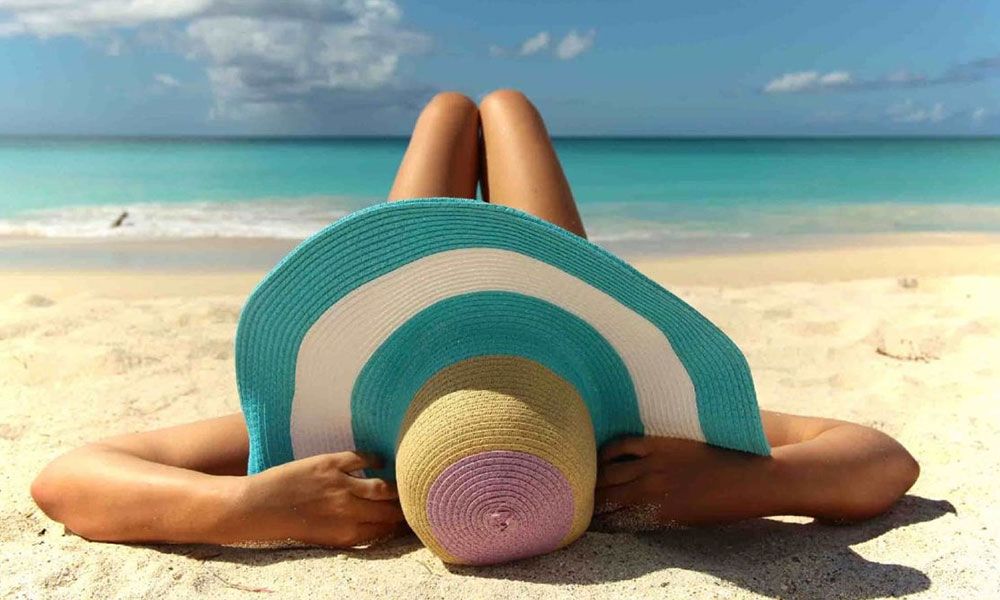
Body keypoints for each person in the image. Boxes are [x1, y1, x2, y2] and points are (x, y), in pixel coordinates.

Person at [30, 90, 920, 549]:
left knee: (447, 118)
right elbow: (883, 459)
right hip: (561, 340)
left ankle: (457, 112)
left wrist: (250, 508)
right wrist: (747, 485)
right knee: (506, 111)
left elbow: (69, 480)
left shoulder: (356, 438)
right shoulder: (624, 433)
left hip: (409, 347)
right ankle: (492, 110)